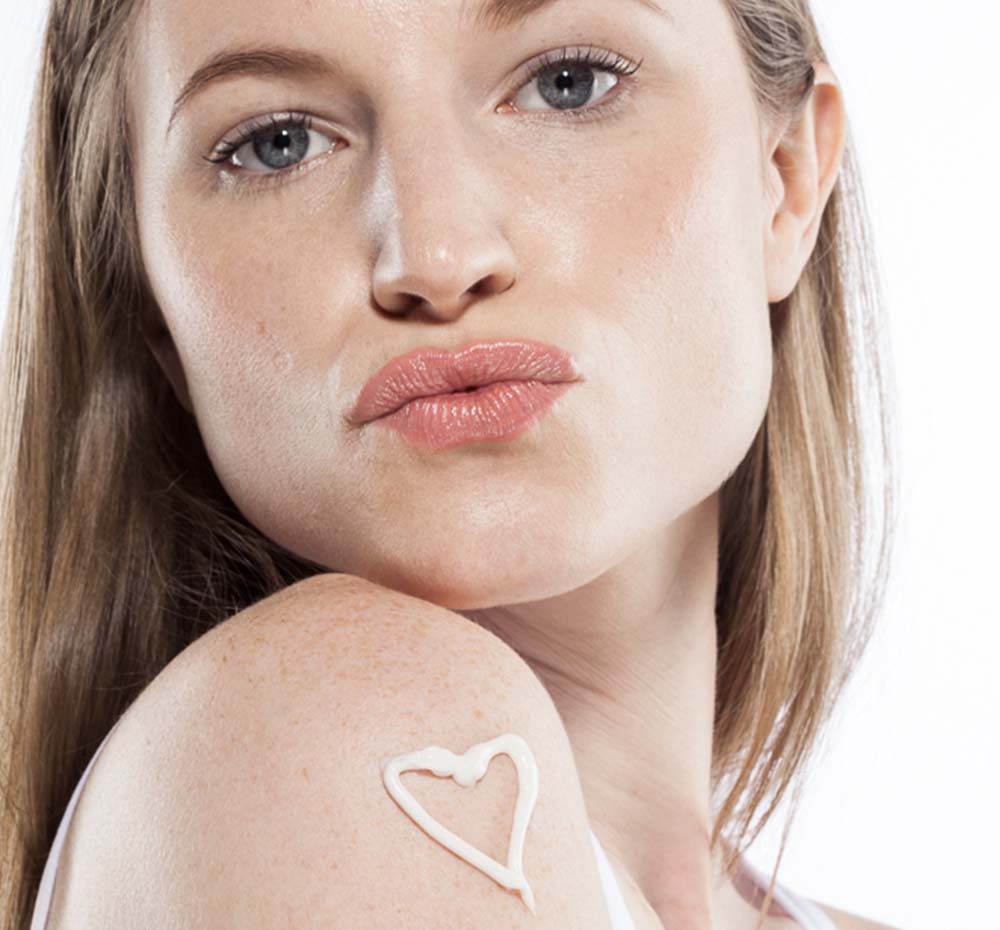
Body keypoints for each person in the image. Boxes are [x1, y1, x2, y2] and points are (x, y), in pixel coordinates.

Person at [0, 0, 900, 928]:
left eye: (568, 83)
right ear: (154, 309)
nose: (435, 255)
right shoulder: (344, 733)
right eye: (277, 143)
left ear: (787, 179)